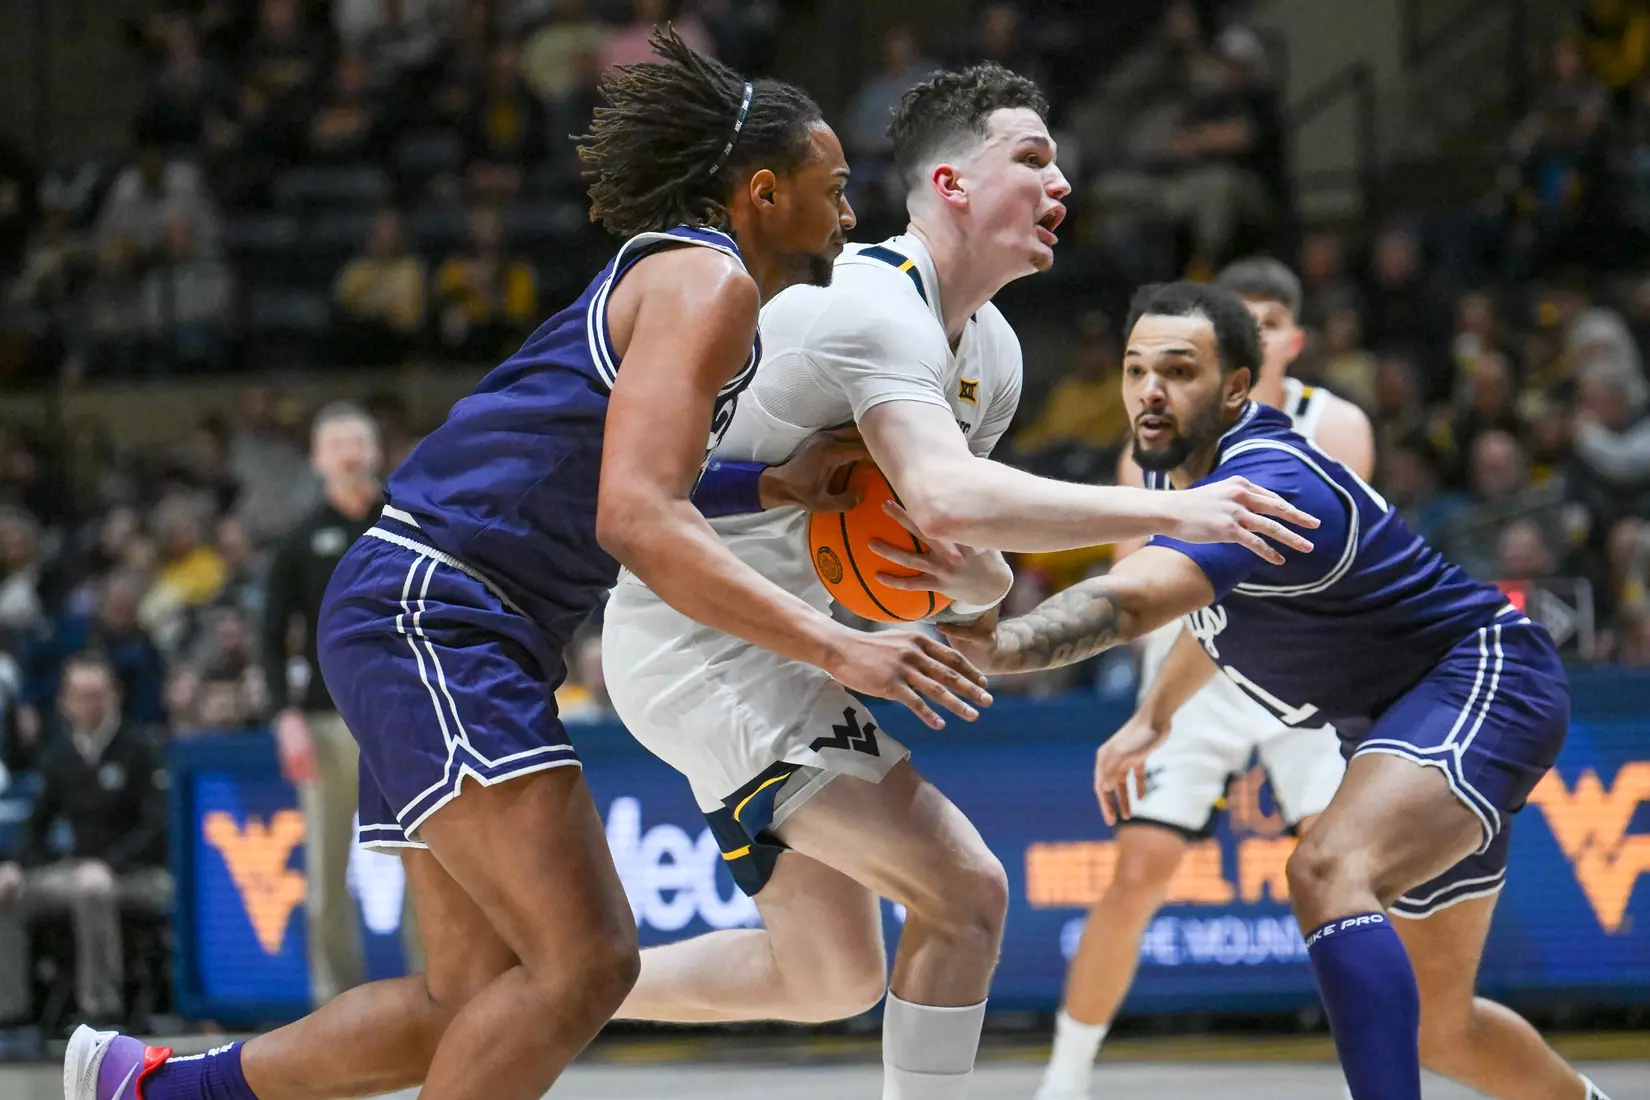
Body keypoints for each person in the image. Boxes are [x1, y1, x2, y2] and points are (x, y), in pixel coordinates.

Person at [66, 28, 993, 1100]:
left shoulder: (698, 289)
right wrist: (842, 644)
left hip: (424, 608)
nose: (849, 213)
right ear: (763, 191)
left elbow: (618, 467)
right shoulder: (710, 284)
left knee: (468, 997)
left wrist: (775, 487)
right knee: (589, 959)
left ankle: (152, 1087)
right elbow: (636, 519)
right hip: (443, 612)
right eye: (834, 190)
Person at [599, 67, 1317, 1100]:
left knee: (829, 972)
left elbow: (935, 551)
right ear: (950, 183)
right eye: (1031, 158)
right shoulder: (867, 304)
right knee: (968, 893)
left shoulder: (994, 352)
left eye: (1058, 160)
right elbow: (943, 497)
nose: (1061, 181)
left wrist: (976, 589)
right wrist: (1178, 507)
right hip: (700, 638)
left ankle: (554, 981)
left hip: (787, 643)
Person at [944, 282, 1613, 1100]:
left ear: (1236, 386)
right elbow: (1206, 613)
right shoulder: (1174, 484)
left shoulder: (1268, 478)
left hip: (1478, 676)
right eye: (1135, 369)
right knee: (1442, 1028)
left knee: (1327, 869)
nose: (1150, 390)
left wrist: (1000, 643)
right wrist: (1154, 715)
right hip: (1388, 718)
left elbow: (1138, 598)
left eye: (1179, 370)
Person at [1036, 258, 1374, 1100]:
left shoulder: (1333, 423)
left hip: (1300, 665)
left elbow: (1339, 567)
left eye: (1264, 322)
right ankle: (1065, 1079)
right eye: (1237, 320)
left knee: (1342, 876)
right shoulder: (1151, 442)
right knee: (1138, 873)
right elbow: (1134, 584)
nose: (1249, 332)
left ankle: (1372, 1073)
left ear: (1289, 341)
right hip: (1196, 669)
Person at [263, 402, 423, 1011]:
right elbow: (271, 636)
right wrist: (284, 717)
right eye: (338, 444)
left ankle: (436, 987)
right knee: (328, 869)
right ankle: (338, 1000)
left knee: (427, 856)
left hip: (409, 712)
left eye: (359, 440)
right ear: (317, 459)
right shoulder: (301, 540)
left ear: (376, 449)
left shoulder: (410, 520)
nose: (351, 453)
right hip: (329, 719)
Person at [0, 654, 170, 1029]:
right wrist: (15, 865)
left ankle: (100, 1011)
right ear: (64, 703)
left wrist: (110, 863)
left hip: (139, 874)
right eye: (81, 695)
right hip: (77, 870)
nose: (90, 704)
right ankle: (12, 1015)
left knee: (92, 889)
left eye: (98, 695)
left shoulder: (140, 749)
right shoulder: (58, 756)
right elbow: (36, 825)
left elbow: (157, 827)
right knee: (6, 893)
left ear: (115, 697)